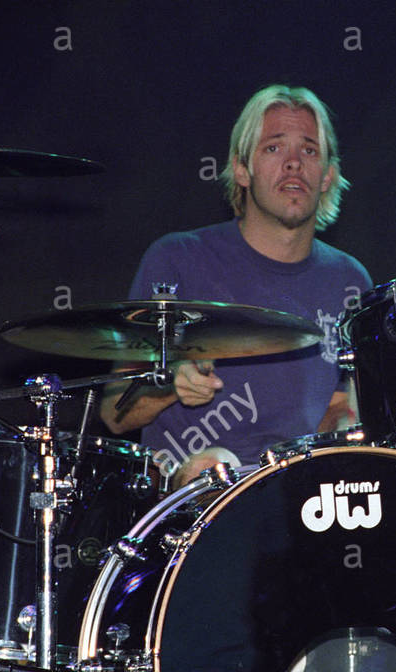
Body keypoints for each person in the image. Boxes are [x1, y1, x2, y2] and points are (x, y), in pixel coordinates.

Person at [101, 84, 370, 483]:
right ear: (241, 169)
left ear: (328, 175)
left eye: (310, 150)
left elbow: (336, 406)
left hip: (296, 497)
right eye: (274, 148)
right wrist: (173, 384)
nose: (294, 163)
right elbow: (113, 414)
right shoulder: (178, 259)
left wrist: (346, 424)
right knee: (213, 464)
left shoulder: (350, 281)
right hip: (190, 499)